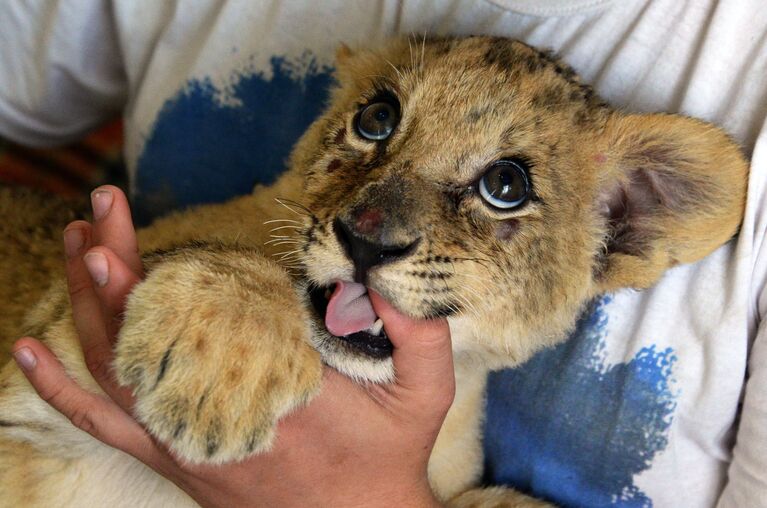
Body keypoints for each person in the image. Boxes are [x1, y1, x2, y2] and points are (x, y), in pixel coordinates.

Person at [1, 0, 766, 505]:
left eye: (505, 185)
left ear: (618, 232)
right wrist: (235, 301)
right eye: (376, 122)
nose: (372, 222)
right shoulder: (249, 265)